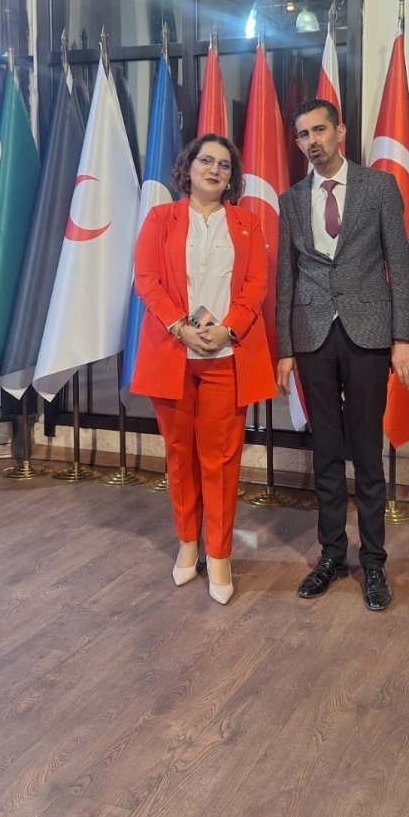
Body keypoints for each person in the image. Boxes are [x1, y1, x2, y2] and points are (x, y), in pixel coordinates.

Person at [275, 99, 409, 611]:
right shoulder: (291, 199)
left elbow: (399, 264)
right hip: (312, 334)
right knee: (327, 452)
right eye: (302, 134)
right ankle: (332, 555)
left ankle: (373, 562)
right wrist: (284, 348)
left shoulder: (379, 187)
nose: (311, 141)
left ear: (340, 131)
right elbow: (286, 276)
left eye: (319, 130)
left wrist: (402, 338)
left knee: (367, 451)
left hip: (369, 332)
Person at [131, 135, 276, 604]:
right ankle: (187, 543)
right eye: (206, 161)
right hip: (173, 354)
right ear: (188, 168)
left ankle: (218, 554)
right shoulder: (161, 219)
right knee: (179, 454)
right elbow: (147, 281)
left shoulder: (247, 223)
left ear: (232, 177)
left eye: (224, 165)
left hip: (225, 357)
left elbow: (256, 285)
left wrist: (228, 329)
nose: (214, 170)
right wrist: (179, 327)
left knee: (221, 460)